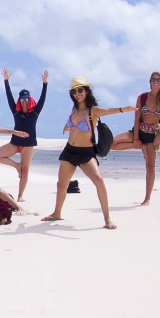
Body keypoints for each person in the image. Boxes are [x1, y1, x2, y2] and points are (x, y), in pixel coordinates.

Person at [41, 77, 136, 229]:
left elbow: (107, 111)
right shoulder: (74, 111)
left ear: (86, 91)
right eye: (74, 91)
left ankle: (107, 219)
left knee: (99, 180)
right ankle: (56, 213)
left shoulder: (93, 110)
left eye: (80, 90)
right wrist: (66, 126)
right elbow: (72, 123)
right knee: (61, 186)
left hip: (86, 153)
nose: (77, 93)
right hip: (69, 151)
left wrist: (123, 109)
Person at [111, 71, 160, 205]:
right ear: (150, 82)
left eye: (158, 79)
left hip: (153, 134)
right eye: (153, 79)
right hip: (139, 130)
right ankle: (140, 146)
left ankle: (147, 198)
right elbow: (136, 118)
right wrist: (136, 139)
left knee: (150, 166)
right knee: (112, 143)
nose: (156, 81)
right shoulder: (142, 97)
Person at [0, 69, 48, 201]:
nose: (24, 101)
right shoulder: (15, 112)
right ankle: (17, 166)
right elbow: (9, 96)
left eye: (26, 98)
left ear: (30, 99)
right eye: (21, 99)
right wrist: (6, 81)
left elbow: (43, 98)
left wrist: (45, 84)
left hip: (28, 145)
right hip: (15, 143)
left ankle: (20, 196)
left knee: (25, 172)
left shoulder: (35, 112)